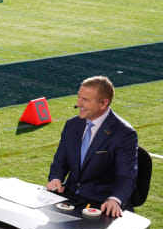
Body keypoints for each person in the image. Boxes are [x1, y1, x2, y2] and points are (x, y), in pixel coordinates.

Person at [46, 76, 137, 217]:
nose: (78, 103)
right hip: (69, 199)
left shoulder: (124, 133)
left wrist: (115, 199)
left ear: (103, 103)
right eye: (79, 97)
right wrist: (56, 178)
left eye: (85, 100)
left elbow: (126, 176)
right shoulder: (72, 125)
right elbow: (60, 162)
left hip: (101, 204)